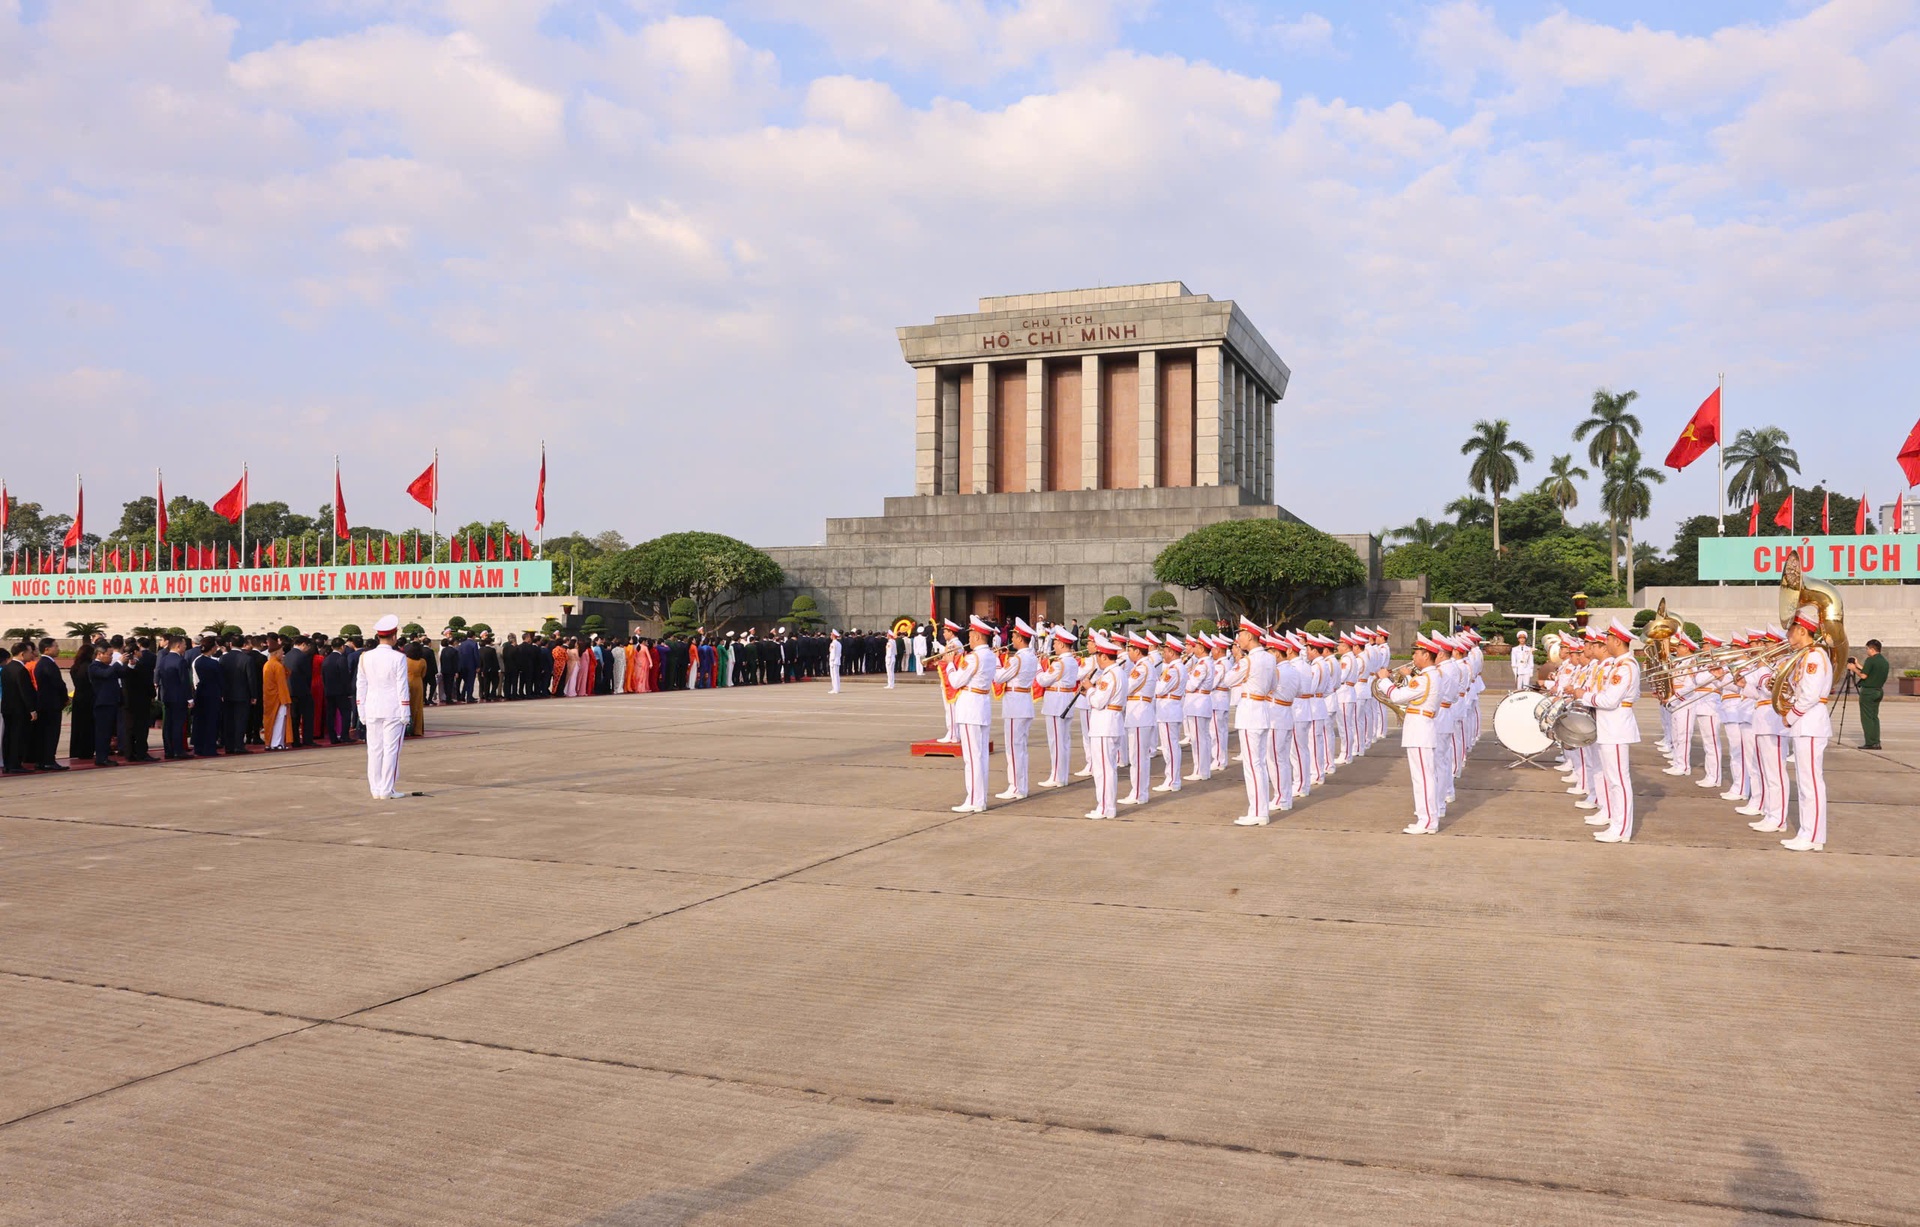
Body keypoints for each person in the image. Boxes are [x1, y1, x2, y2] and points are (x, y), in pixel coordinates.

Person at [1779, 607, 1833, 851]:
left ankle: (1813, 836)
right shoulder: (1805, 655)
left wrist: (1790, 716)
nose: (1788, 635)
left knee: (1810, 782)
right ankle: (1807, 833)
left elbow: (1809, 695)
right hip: (1805, 723)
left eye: (1791, 630)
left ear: (1803, 630)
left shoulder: (1813, 656)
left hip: (1810, 722)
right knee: (1805, 781)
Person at [1590, 621, 1643, 844]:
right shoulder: (1619, 665)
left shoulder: (1625, 667)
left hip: (1616, 727)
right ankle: (1616, 824)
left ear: (1618, 641)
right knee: (1614, 780)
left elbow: (1609, 700)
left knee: (1619, 780)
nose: (1606, 643)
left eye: (1609, 639)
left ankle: (1622, 829)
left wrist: (1584, 696)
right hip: (1610, 727)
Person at [1383, 637, 1441, 834]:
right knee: (1424, 777)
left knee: (1422, 778)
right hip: (1421, 729)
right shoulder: (1429, 677)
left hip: (1420, 731)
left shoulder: (1425, 678)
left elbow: (1398, 696)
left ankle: (1426, 821)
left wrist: (1384, 680)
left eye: (1416, 653)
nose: (1413, 656)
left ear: (1426, 655)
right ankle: (1426, 818)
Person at [357, 614, 412, 800]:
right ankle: (387, 789)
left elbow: (361, 685)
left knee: (374, 750)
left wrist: (361, 710)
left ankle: (376, 788)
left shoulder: (365, 657)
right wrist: (406, 711)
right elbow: (402, 686)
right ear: (394, 636)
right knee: (391, 750)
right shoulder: (398, 657)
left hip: (372, 707)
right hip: (393, 708)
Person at [946, 616, 996, 813]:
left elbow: (957, 681)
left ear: (976, 636)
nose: (970, 639)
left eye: (971, 635)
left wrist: (950, 664)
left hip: (970, 708)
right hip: (982, 705)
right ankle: (979, 798)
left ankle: (974, 799)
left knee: (972, 757)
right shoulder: (991, 655)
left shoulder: (973, 657)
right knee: (980, 756)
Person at [1079, 632, 1127, 819]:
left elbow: (1099, 701)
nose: (1096, 659)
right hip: (1110, 723)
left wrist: (1090, 689)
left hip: (1104, 725)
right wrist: (1090, 692)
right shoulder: (1117, 673)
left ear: (1104, 656)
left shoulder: (1109, 675)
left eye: (1098, 655)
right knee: (1106, 768)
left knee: (1103, 769)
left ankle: (1105, 807)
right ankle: (1107, 807)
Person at [993, 618, 1039, 801]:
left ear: (1020, 638)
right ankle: (1022, 786)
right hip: (1024, 702)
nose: (1011, 637)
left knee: (1013, 748)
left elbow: (999, 677)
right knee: (1020, 748)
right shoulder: (1031, 656)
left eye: (1013, 635)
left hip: (1015, 706)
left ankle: (1016, 787)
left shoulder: (1018, 658)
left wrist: (997, 661)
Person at [1035, 626, 1078, 788]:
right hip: (1066, 699)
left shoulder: (1059, 663)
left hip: (1057, 702)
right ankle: (1062, 775)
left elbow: (1043, 680)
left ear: (1061, 644)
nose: (1054, 646)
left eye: (1056, 643)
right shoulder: (1072, 661)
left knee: (1056, 742)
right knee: (1063, 741)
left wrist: (1039, 667)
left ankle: (1057, 776)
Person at [86, 643, 129, 767]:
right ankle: (101, 758)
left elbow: (120, 673)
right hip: (102, 704)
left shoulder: (107, 666)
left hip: (111, 702)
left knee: (107, 732)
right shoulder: (94, 667)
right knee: (102, 732)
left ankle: (104, 756)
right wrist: (118, 662)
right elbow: (107, 674)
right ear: (100, 654)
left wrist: (129, 664)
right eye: (109, 655)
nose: (111, 657)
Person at [2, 643, 39, 773]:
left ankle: (8, 764)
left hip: (7, 708)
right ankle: (15, 764)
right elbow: (25, 692)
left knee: (9, 737)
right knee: (18, 737)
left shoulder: (7, 668)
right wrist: (32, 709)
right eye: (30, 652)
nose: (32, 654)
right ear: (22, 654)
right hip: (19, 710)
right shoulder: (21, 670)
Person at [33, 638, 68, 770]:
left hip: (44, 704)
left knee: (43, 733)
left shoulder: (41, 663)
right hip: (51, 705)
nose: (58, 649)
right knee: (51, 733)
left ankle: (42, 760)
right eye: (56, 646)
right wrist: (65, 698)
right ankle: (49, 760)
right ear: (47, 649)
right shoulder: (48, 664)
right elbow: (58, 684)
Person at [1849, 640, 1887, 750]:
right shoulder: (1883, 661)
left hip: (1868, 692)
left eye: (1867, 649)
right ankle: (1876, 741)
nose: (1866, 651)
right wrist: (1858, 665)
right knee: (1874, 717)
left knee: (1867, 718)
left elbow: (1864, 675)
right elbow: (1869, 671)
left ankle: (1870, 742)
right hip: (1878, 691)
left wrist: (1853, 668)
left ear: (1872, 649)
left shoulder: (1870, 660)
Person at [221, 634, 252, 755]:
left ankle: (229, 746)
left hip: (227, 694)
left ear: (230, 644)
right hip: (242, 694)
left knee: (228, 721)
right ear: (243, 645)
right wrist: (253, 695)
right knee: (240, 721)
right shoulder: (247, 658)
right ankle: (239, 745)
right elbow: (250, 679)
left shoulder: (224, 658)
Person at [191, 637, 223, 757]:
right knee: (211, 721)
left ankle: (198, 747)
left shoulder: (198, 661)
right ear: (212, 648)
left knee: (200, 721)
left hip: (200, 692)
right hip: (212, 693)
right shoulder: (214, 663)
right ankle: (209, 748)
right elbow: (220, 679)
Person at [322, 640, 354, 743]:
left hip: (329, 691)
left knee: (331, 715)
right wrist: (348, 691)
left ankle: (333, 737)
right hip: (341, 692)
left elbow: (323, 676)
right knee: (346, 713)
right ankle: (345, 735)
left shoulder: (326, 659)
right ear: (342, 647)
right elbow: (345, 677)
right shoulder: (341, 659)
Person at [262, 642, 291, 750]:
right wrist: (285, 699)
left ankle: (270, 743)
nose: (283, 653)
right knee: (280, 720)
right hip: (278, 697)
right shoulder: (277, 666)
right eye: (281, 651)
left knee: (271, 721)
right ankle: (277, 743)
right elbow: (282, 684)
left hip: (269, 696)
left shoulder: (268, 664)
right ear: (276, 652)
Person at [406, 643, 427, 736]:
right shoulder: (422, 661)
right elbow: (423, 674)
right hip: (418, 682)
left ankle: (407, 728)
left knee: (407, 705)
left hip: (407, 681)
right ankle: (417, 729)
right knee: (417, 706)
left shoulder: (405, 660)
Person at [828, 629, 843, 694]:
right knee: (836, 675)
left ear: (833, 635)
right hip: (837, 660)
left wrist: (831, 660)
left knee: (834, 675)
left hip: (833, 661)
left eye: (831, 634)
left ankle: (835, 689)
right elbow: (839, 653)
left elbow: (833, 653)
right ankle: (837, 688)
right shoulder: (839, 643)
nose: (830, 636)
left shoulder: (833, 643)